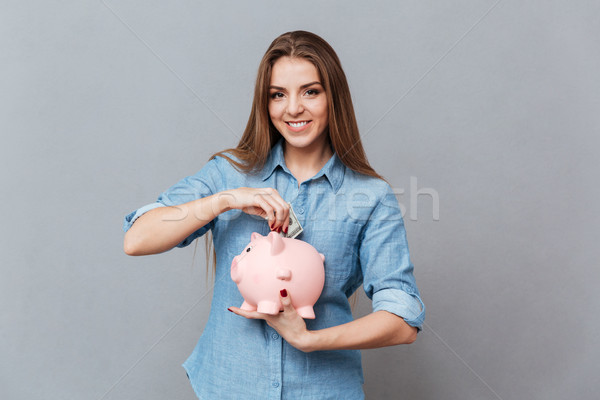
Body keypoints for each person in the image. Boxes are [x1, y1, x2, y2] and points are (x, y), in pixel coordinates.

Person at [123, 30, 425, 400]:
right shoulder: (228, 175)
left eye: (310, 91)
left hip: (323, 390)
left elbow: (403, 318)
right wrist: (225, 200)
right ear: (264, 103)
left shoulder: (371, 197)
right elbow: (137, 238)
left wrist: (309, 339)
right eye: (278, 95)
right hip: (229, 386)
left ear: (334, 98)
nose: (293, 108)